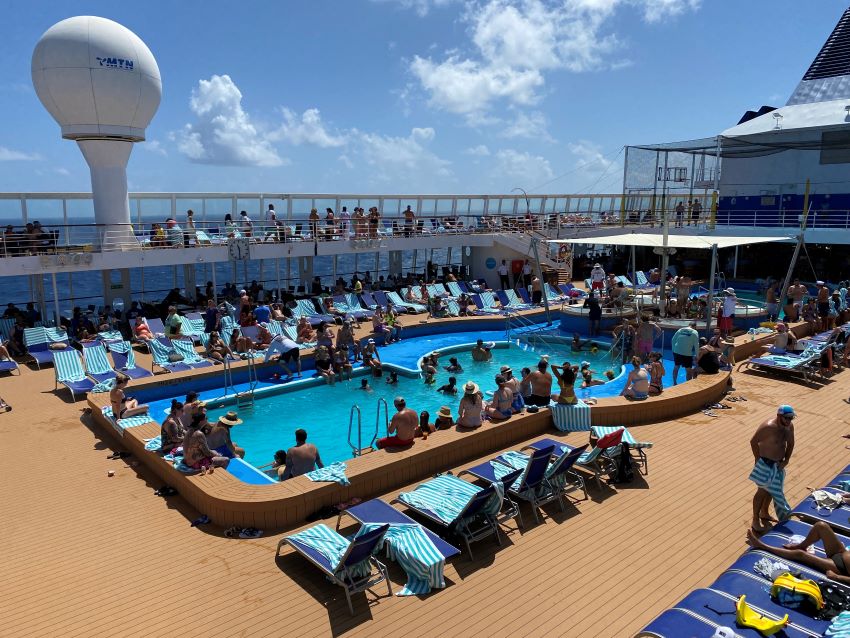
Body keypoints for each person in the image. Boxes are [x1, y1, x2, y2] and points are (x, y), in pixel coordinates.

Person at [749, 405, 795, 532]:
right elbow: (753, 442)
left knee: (771, 491)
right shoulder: (768, 427)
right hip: (766, 463)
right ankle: (755, 520)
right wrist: (758, 460)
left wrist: (786, 460)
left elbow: (791, 443)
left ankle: (764, 512)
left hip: (779, 464)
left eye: (791, 418)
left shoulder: (789, 426)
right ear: (779, 416)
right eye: (787, 418)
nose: (789, 421)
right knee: (762, 491)